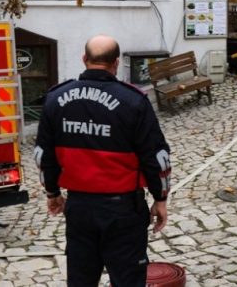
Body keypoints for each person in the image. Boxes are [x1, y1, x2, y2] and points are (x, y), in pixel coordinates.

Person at [35, 35, 171, 286]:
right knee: (127, 280)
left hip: (79, 209)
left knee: (81, 280)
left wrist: (52, 192)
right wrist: (160, 199)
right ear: (116, 62)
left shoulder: (56, 99)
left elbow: (44, 155)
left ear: (84, 59)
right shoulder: (133, 101)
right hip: (123, 211)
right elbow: (156, 157)